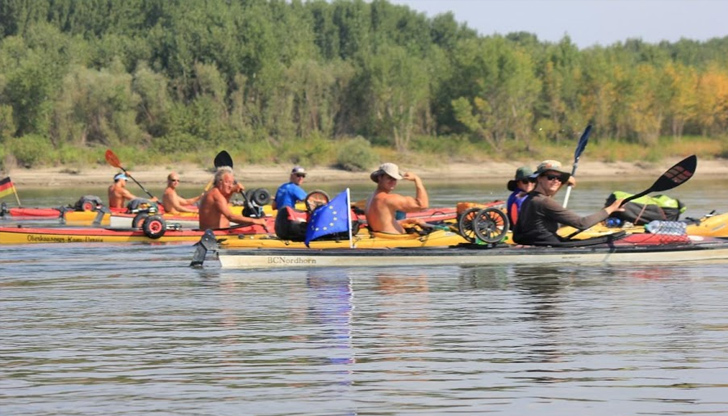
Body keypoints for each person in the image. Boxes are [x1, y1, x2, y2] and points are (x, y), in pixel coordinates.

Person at [512, 160, 623, 246]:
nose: (556, 181)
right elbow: (581, 223)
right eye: (551, 177)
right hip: (548, 244)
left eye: (559, 178)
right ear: (539, 179)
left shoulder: (530, 199)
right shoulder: (544, 202)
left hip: (536, 242)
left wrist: (563, 182)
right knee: (616, 237)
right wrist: (610, 209)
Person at [365, 162, 429, 234]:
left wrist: (405, 221)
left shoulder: (371, 197)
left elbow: (382, 222)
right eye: (389, 178)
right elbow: (423, 205)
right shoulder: (389, 199)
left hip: (381, 235)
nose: (393, 181)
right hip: (394, 240)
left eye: (395, 179)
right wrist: (417, 180)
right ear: (379, 178)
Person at [198, 166, 267, 230]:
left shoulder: (219, 194)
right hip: (212, 235)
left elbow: (225, 203)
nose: (230, 186)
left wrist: (232, 191)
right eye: (228, 182)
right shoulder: (215, 195)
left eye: (232, 183)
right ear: (220, 182)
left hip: (221, 231)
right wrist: (255, 221)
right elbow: (231, 217)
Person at [273, 166, 309, 240]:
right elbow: (309, 200)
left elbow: (273, 206)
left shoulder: (282, 187)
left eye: (303, 176)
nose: (301, 178)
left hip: (279, 226)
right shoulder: (294, 188)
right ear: (292, 176)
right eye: (298, 175)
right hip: (289, 226)